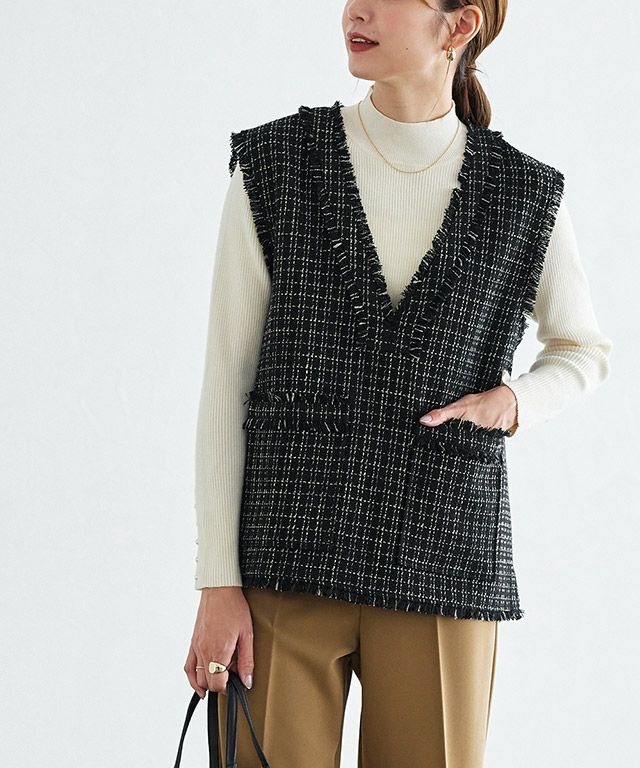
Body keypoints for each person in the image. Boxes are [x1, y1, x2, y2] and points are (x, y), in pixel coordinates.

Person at [185, 1, 612, 766]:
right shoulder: (277, 164)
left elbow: (583, 350)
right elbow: (226, 381)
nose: (357, 9)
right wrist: (217, 582)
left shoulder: (524, 194)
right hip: (285, 558)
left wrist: (514, 401)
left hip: (444, 556)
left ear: (459, 26)